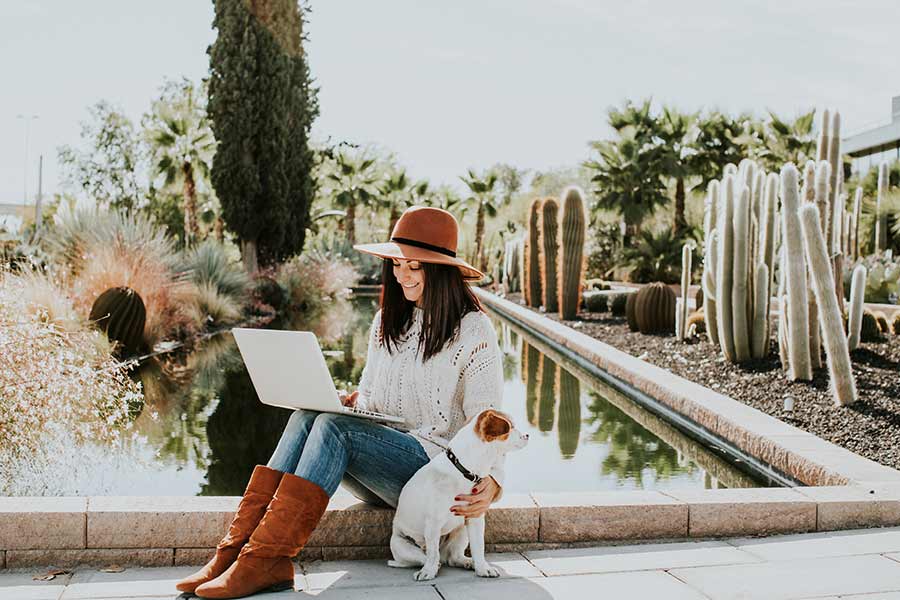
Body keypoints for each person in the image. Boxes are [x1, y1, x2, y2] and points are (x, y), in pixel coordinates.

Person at [180, 206, 506, 599]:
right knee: (309, 415)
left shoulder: (474, 330)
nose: (401, 274)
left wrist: (494, 483)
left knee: (335, 430)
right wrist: (347, 403)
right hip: (385, 469)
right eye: (396, 264)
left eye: (414, 266)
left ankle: (265, 559)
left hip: (435, 473)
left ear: (441, 270)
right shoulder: (389, 319)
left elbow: (489, 419)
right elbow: (373, 394)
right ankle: (237, 553)